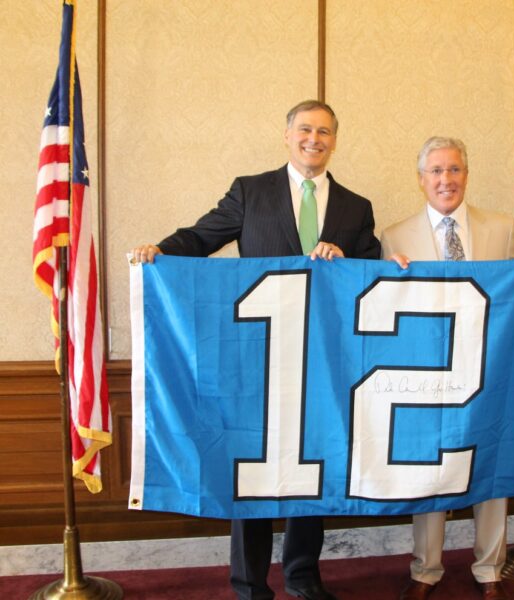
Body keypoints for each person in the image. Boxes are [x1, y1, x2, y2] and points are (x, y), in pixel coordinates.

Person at [132, 99, 381, 600]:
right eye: (306, 129)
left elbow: (371, 274)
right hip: (258, 360)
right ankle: (249, 584)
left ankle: (303, 577)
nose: (315, 139)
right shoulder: (250, 191)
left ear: (335, 140)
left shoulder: (356, 206)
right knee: (254, 474)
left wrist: (347, 259)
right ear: (287, 135)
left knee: (313, 468)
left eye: (325, 132)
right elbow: (201, 237)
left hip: (323, 362)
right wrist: (158, 251)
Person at [381, 136, 514, 600]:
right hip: (427, 375)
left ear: (467, 174)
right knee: (430, 470)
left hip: (489, 370)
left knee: (492, 468)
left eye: (455, 170)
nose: (447, 180)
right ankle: (426, 570)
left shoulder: (501, 228)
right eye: (437, 171)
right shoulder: (394, 236)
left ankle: (489, 569)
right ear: (421, 179)